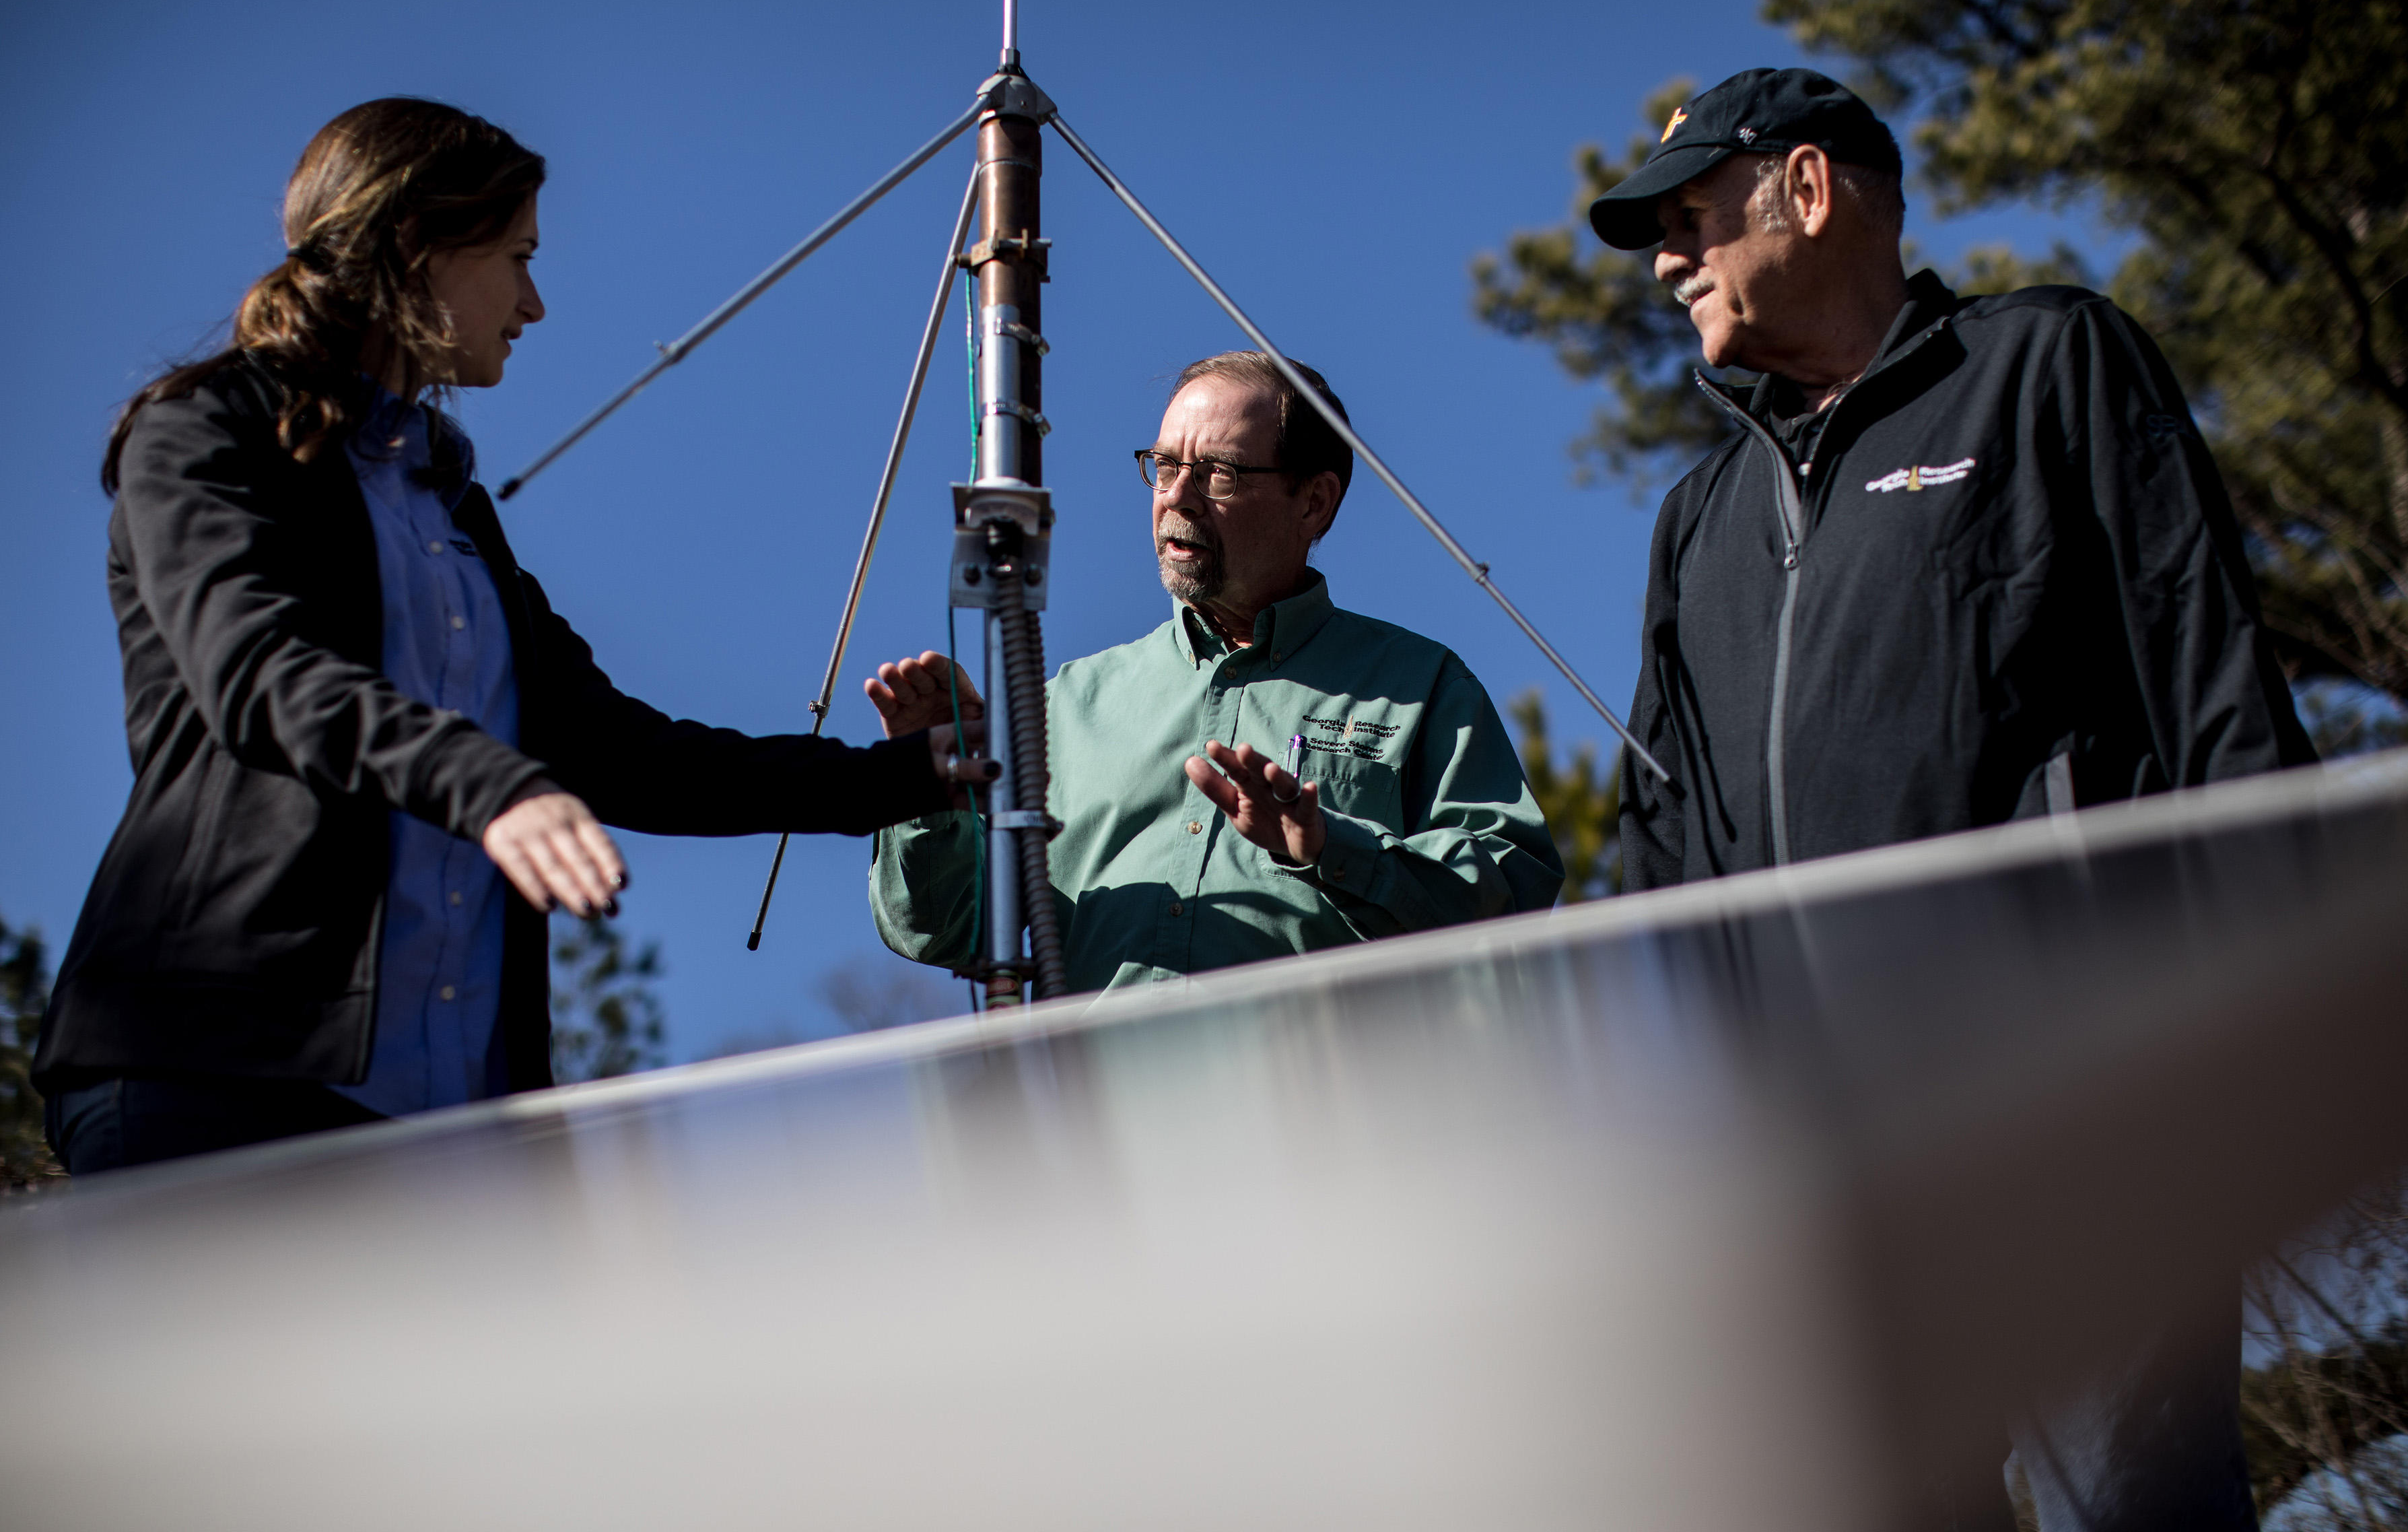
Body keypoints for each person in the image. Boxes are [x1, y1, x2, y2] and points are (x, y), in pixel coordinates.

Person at [1591, 69, 2313, 1531]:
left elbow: (2212, 689)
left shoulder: (2048, 362)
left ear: (1809, 188)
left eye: (1693, 214)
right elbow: (1659, 858)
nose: (1668, 261)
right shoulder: (1697, 522)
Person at [34, 98, 994, 1174]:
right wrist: (490, 786)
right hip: (215, 1079)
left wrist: (896, 778)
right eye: (517, 256)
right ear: (415, 247)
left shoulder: (449, 508)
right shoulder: (205, 431)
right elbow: (257, 669)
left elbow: (618, 751)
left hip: (458, 1129)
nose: (534, 303)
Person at [864, 352, 1562, 993]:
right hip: (1097, 1115)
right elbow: (943, 930)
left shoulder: (1420, 686)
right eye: (1165, 467)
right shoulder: (1065, 706)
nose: (1179, 497)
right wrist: (925, 785)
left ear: (1314, 502)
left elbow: (1513, 891)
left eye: (1219, 473)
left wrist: (1330, 848)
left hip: (1334, 1113)